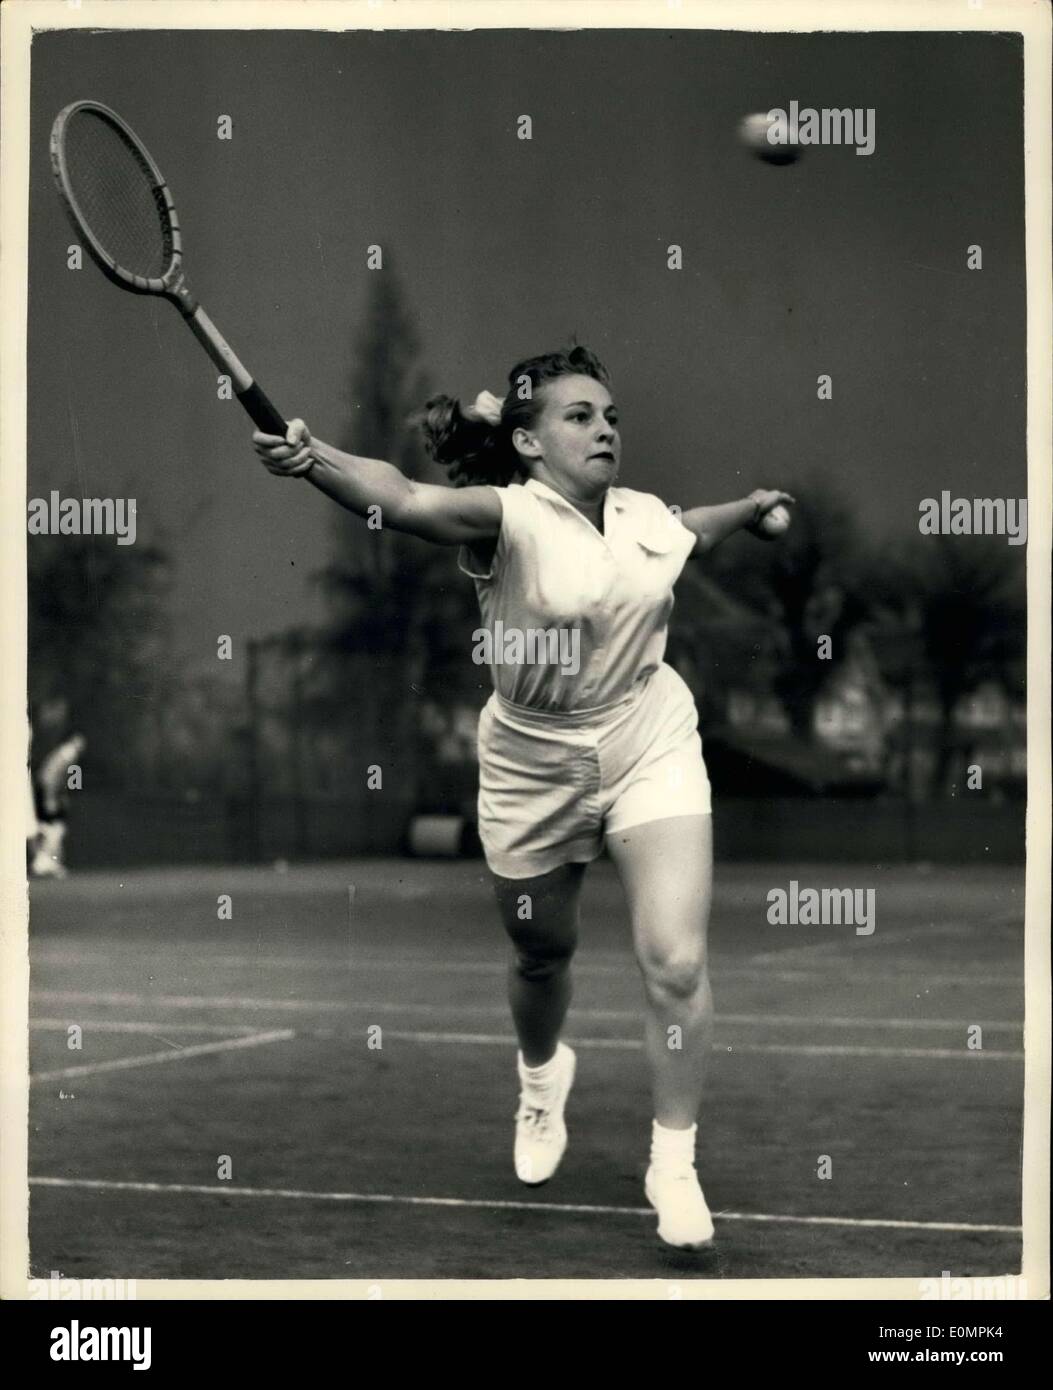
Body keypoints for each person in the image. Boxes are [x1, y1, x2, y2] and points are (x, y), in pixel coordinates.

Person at [253, 346, 792, 1249]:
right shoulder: (504, 517)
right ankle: (542, 1078)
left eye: (609, 415)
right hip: (530, 762)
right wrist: (316, 460)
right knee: (542, 952)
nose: (605, 428)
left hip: (646, 739)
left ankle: (673, 1161)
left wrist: (754, 505)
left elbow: (695, 525)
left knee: (676, 963)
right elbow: (406, 497)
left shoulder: (643, 519)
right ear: (529, 444)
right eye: (579, 416)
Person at [31, 732, 87, 878]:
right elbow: (50, 777)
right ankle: (43, 863)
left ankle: (47, 863)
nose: (82, 744)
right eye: (79, 741)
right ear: (72, 741)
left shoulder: (69, 756)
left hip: (48, 794)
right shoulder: (67, 754)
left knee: (53, 830)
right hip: (45, 794)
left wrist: (63, 796)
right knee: (54, 830)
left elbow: (70, 781)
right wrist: (50, 799)